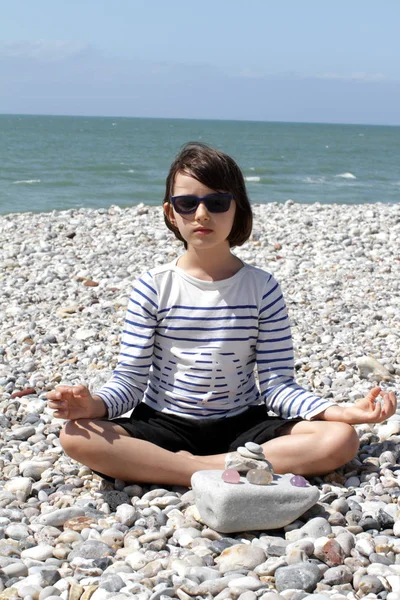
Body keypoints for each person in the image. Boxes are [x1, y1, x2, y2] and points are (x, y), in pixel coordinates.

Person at [47, 142, 397, 487]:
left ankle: (184, 469)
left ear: (238, 210)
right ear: (171, 213)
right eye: (187, 203)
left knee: (340, 439)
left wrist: (342, 413)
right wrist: (93, 407)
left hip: (242, 425)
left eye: (216, 202)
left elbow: (277, 385)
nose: (202, 214)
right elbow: (131, 381)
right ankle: (222, 470)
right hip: (163, 423)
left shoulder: (261, 287)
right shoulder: (154, 285)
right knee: (76, 435)